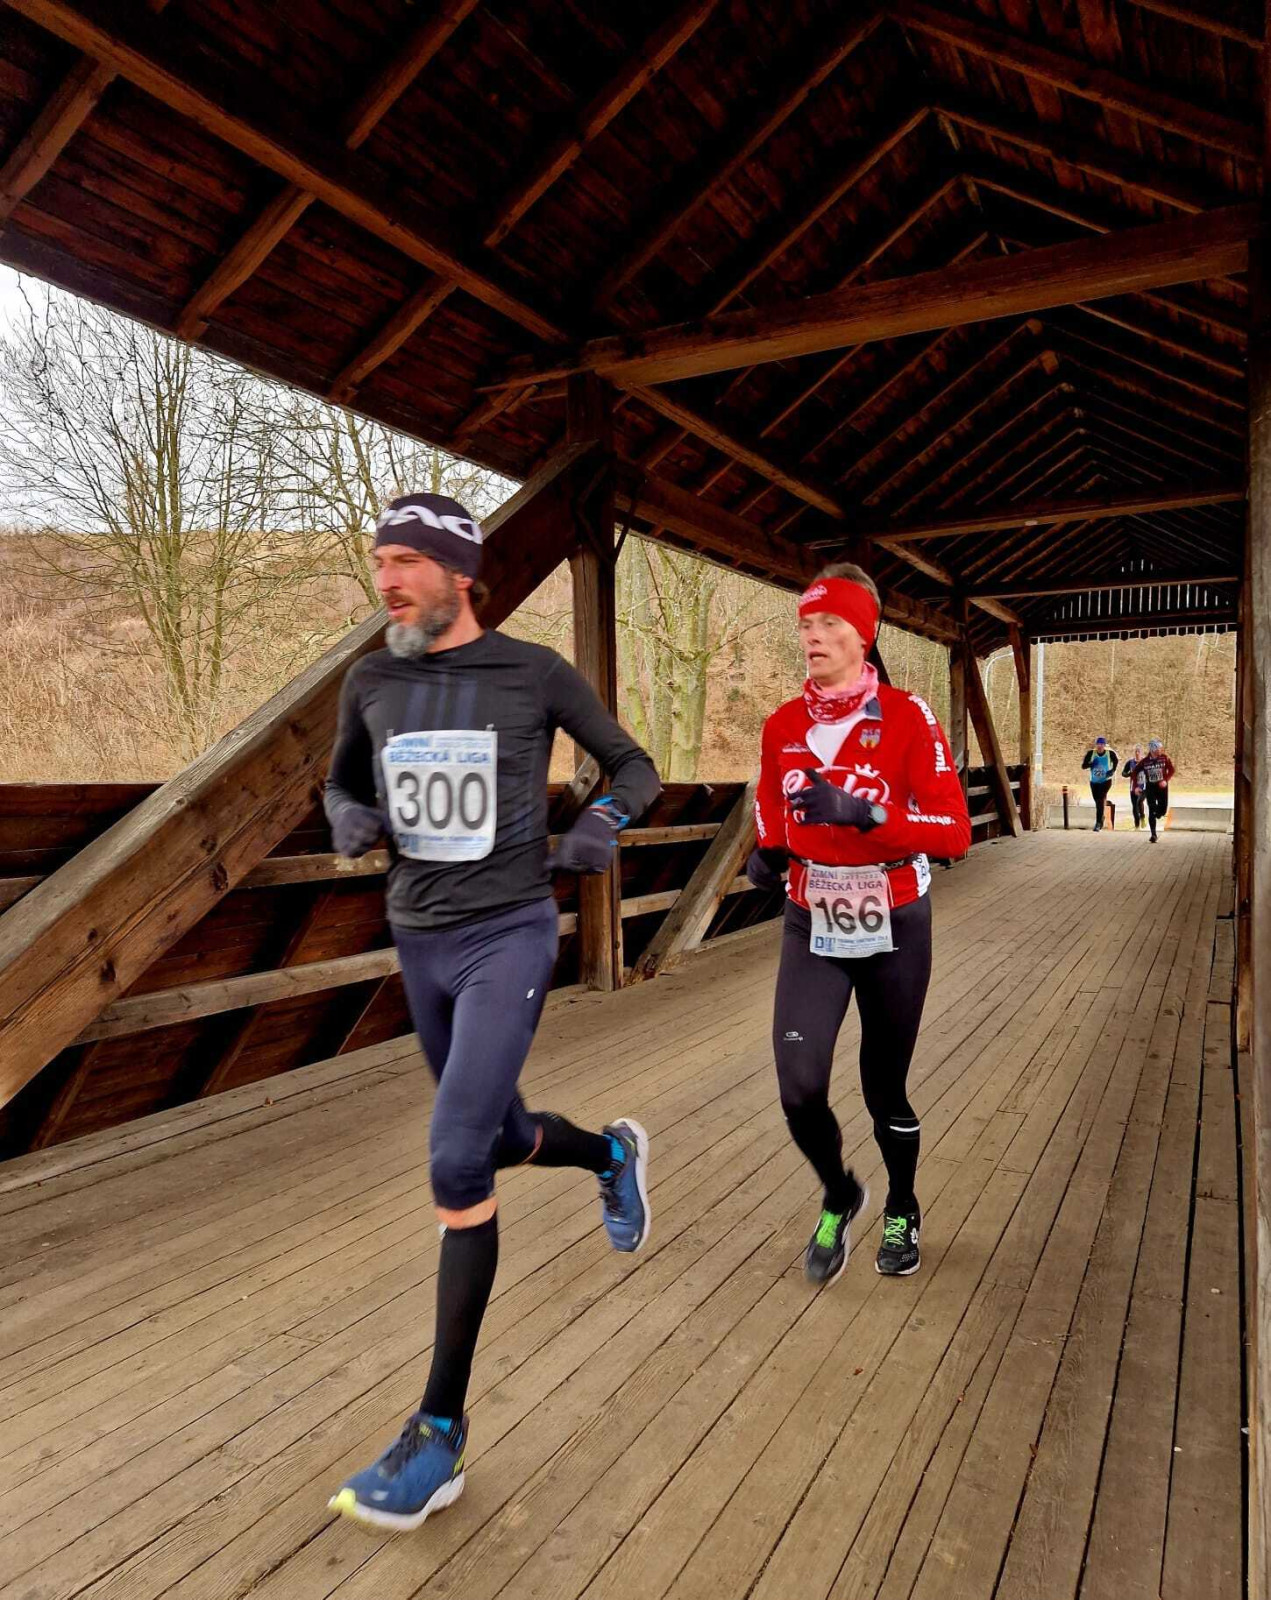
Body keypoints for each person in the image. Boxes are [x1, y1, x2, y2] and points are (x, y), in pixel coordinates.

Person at [322, 491, 661, 1531]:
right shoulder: (370, 680)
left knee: (455, 1154)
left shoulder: (533, 672)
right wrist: (350, 816)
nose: (385, 579)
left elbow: (634, 766)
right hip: (417, 938)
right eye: (379, 560)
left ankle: (438, 1434)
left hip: (506, 933)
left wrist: (601, 820)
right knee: (501, 1137)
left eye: (404, 562)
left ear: (460, 574)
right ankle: (610, 1154)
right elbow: (337, 785)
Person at [748, 563, 971, 1286]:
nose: (811, 637)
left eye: (828, 624)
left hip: (894, 917)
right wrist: (767, 852)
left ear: (864, 635)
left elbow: (954, 833)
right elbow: (771, 809)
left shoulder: (908, 717)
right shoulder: (782, 725)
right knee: (797, 1086)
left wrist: (867, 813)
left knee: (883, 1087)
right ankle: (840, 1192)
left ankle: (902, 1204)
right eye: (805, 625)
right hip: (811, 917)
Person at [1132, 738, 1175, 843]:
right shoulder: (1145, 761)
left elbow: (1172, 770)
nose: (1160, 750)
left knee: (1162, 810)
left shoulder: (1164, 758)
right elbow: (1134, 772)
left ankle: (1157, 814)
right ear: (1152, 749)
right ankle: (1153, 835)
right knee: (1151, 809)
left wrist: (1165, 780)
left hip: (1162, 787)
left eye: (1161, 748)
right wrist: (1136, 786)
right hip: (1150, 787)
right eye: (1158, 748)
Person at [1081, 737, 1119, 832]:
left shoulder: (1110, 754)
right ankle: (1101, 817)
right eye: (1098, 744)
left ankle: (1098, 823)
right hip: (1094, 781)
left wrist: (1112, 770)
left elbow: (1116, 761)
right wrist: (1091, 764)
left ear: (1104, 745)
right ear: (1096, 745)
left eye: (1102, 744)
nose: (1100, 746)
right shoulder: (1091, 754)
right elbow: (1083, 766)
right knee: (1097, 801)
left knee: (1100, 799)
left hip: (1106, 780)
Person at [1123, 745, 1147, 830]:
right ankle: (1137, 825)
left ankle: (1142, 817)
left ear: (1141, 753)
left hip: (1143, 788)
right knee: (1134, 806)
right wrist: (1129, 774)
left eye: (1139, 751)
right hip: (1133, 788)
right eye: (1136, 751)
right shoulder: (1130, 762)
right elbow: (1123, 773)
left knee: (1139, 802)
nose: (1137, 753)